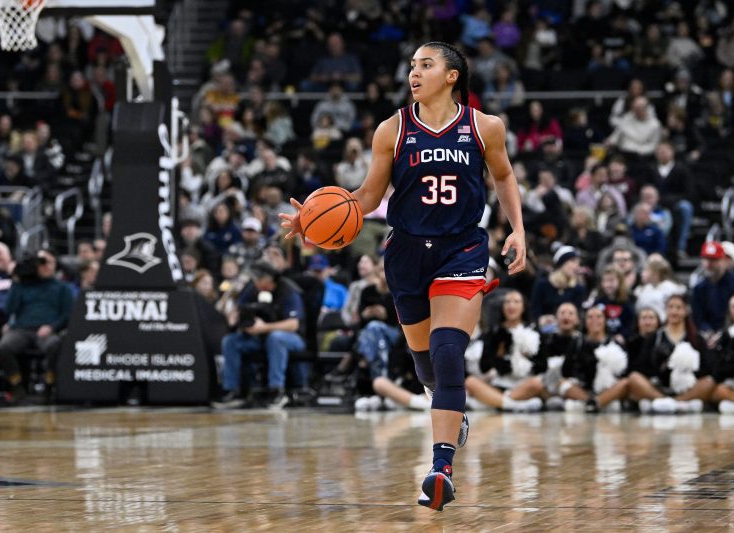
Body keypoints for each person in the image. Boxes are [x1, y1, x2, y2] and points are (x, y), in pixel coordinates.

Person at [281, 41, 526, 512]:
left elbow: (504, 176)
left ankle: (441, 468)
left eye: (426, 65)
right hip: (407, 253)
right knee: (426, 364)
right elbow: (369, 196)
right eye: (412, 65)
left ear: (452, 76)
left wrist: (517, 229)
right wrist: (312, 218)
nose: (414, 72)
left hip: (462, 249)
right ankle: (447, 404)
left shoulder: (484, 126)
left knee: (448, 351)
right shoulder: (392, 129)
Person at [213, 262, 306, 410]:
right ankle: (233, 390)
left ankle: (276, 391)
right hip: (259, 338)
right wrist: (236, 317)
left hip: (292, 338)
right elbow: (239, 309)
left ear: (269, 279)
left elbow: (293, 325)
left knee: (276, 338)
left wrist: (264, 328)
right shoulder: (252, 289)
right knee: (230, 341)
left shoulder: (288, 290)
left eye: (258, 279)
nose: (255, 282)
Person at [0, 250, 73, 404]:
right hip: (22, 329)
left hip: (47, 330)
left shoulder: (63, 288)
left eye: (48, 262)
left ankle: (49, 385)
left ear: (55, 265)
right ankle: (17, 385)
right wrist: (16, 281)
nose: (45, 266)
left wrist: (52, 327)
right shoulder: (23, 285)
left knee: (54, 344)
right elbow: (9, 309)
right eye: (41, 263)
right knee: (3, 347)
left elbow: (67, 315)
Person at [627, 294, 714, 414]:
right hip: (659, 387)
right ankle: (666, 401)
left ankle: (674, 402)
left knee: (709, 382)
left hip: (687, 387)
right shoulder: (655, 337)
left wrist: (687, 370)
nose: (674, 311)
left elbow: (707, 368)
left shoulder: (696, 338)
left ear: (685, 311)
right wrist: (660, 366)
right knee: (634, 378)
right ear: (666, 310)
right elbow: (641, 366)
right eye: (671, 307)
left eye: (678, 308)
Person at [464, 290, 546, 412]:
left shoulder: (534, 332)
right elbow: (484, 367)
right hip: (499, 384)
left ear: (523, 307)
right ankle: (513, 405)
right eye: (507, 302)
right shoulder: (493, 332)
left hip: (524, 384)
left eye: (516, 302)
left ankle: (494, 403)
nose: (511, 305)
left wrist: (525, 359)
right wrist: (497, 355)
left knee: (537, 384)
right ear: (502, 307)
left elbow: (543, 366)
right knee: (470, 382)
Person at [559, 305, 630, 413]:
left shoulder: (615, 343)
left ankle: (597, 402)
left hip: (608, 389)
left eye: (599, 317)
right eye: (590, 317)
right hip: (583, 389)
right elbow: (565, 371)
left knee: (626, 382)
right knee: (562, 383)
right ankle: (591, 402)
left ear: (605, 320)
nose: (594, 320)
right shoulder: (577, 342)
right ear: (585, 321)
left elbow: (624, 372)